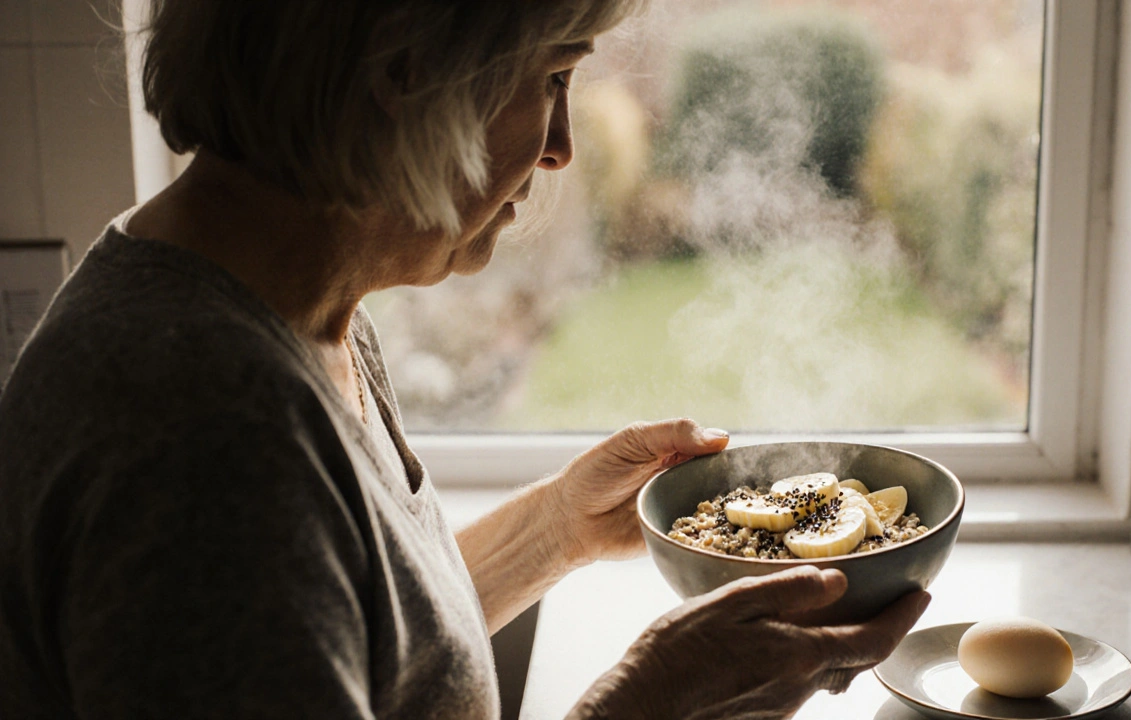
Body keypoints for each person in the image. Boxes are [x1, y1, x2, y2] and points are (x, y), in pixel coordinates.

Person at [0, 1, 929, 717]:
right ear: (409, 71)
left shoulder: (291, 305)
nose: (562, 149)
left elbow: (365, 654)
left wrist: (555, 531)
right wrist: (648, 699)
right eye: (555, 78)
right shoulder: (202, 435)